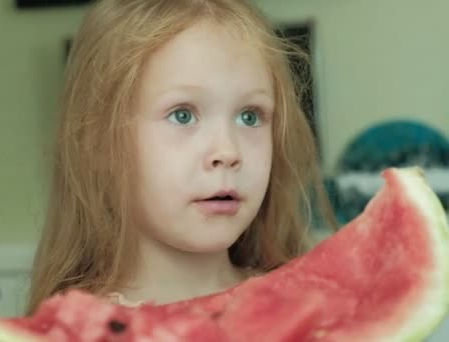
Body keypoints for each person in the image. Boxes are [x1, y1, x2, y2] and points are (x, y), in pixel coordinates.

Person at [25, 0, 336, 314]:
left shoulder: (302, 305)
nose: (227, 152)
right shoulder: (78, 328)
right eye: (183, 115)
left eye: (249, 117)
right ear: (98, 144)